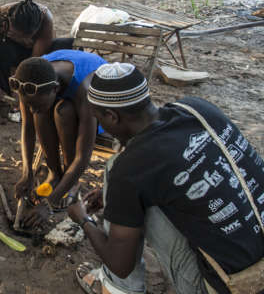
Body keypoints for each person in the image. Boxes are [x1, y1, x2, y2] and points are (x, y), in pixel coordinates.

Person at [67, 62, 264, 294]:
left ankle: (116, 289)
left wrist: (82, 219)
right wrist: (116, 196)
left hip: (232, 286)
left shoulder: (131, 167)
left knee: (116, 170)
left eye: (98, 117)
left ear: (111, 116)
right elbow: (181, 166)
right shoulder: (196, 108)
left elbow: (120, 264)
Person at [11, 50, 108, 227]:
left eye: (35, 104)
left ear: (55, 89)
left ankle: (71, 182)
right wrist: (27, 173)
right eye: (28, 105)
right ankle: (55, 173)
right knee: (40, 113)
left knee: (63, 111)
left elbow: (83, 156)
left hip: (97, 107)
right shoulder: (29, 81)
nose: (31, 110)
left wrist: (49, 203)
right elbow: (28, 128)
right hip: (58, 96)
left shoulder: (85, 91)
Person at [0, 0, 74, 122]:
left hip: (36, 59)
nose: (24, 41)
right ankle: (2, 93)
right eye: (17, 35)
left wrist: (21, 88)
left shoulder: (45, 20)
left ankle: (33, 99)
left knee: (65, 44)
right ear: (9, 23)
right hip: (11, 52)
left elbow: (35, 64)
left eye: (28, 37)